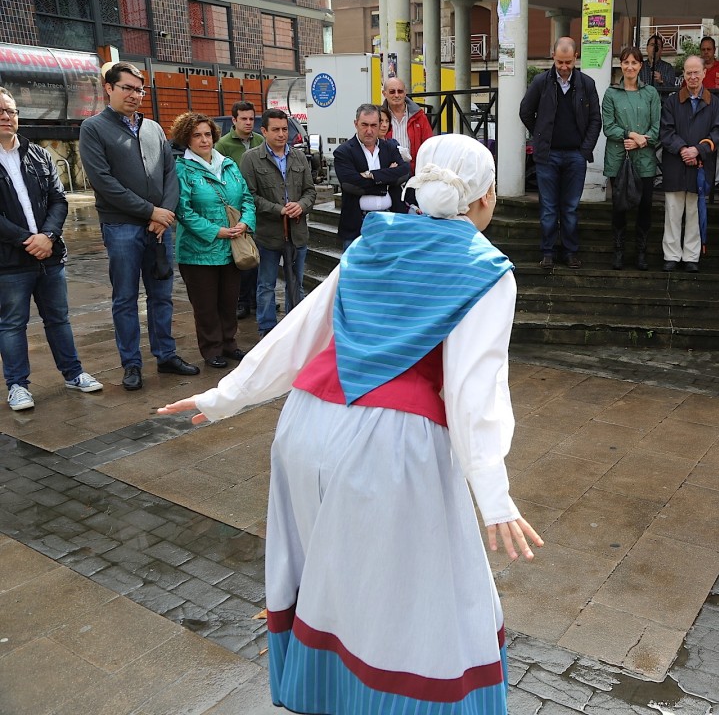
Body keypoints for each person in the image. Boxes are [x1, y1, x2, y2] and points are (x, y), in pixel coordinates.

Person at [158, 134, 543, 715]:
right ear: (486, 196)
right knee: (409, 593)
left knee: (332, 579)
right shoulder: (486, 269)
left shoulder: (373, 239)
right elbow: (474, 389)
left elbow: (304, 330)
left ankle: (328, 696)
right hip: (391, 441)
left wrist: (225, 396)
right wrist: (493, 492)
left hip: (306, 425)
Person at [79, 61, 200, 391]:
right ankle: (131, 364)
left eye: (139, 89)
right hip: (122, 228)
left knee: (162, 295)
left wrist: (166, 214)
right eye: (127, 88)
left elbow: (170, 174)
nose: (135, 95)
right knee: (125, 298)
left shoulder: (154, 129)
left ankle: (166, 355)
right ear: (109, 88)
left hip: (159, 229)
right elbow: (103, 181)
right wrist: (150, 212)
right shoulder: (93, 128)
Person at [0, 87, 102, 411]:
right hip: (9, 262)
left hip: (49, 256)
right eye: (0, 111)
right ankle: (18, 386)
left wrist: (48, 235)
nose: (6, 116)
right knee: (12, 324)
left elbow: (59, 199)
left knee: (59, 319)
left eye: (11, 111)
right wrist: (27, 240)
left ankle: (74, 374)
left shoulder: (38, 154)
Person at [171, 112, 256, 370]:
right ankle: (212, 349)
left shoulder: (228, 164)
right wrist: (214, 231)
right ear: (186, 139)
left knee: (229, 301)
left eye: (207, 134)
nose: (204, 140)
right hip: (198, 251)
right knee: (206, 306)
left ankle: (229, 343)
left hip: (232, 247)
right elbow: (183, 211)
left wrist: (245, 222)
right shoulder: (182, 169)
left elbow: (247, 198)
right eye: (197, 135)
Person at [519, 37, 601, 270]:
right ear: (553, 56)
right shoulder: (540, 82)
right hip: (548, 156)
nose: (564, 67)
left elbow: (595, 119)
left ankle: (570, 252)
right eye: (560, 62)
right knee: (548, 207)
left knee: (570, 207)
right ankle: (547, 252)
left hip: (576, 155)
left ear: (576, 57)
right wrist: (540, 136)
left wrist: (585, 149)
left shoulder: (587, 84)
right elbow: (525, 112)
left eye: (568, 62)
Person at [240, 108, 317, 338]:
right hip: (268, 234)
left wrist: (301, 206)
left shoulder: (299, 156)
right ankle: (267, 330)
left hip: (297, 233)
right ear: (264, 131)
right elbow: (249, 196)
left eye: (284, 129)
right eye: (276, 130)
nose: (282, 134)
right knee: (266, 284)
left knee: (296, 283)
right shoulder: (251, 158)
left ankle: (295, 328)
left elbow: (310, 191)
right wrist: (278, 209)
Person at [659, 55, 719, 274]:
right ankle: (671, 255)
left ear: (704, 73)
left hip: (700, 166)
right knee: (673, 212)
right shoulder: (671, 102)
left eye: (696, 72)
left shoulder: (714, 103)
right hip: (675, 164)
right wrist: (683, 149)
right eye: (689, 73)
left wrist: (698, 150)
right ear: (684, 75)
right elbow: (666, 131)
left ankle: (691, 256)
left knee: (695, 213)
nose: (693, 77)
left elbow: (717, 133)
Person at [602, 46, 662, 271]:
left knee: (645, 207)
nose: (630, 67)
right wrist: (630, 134)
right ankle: (618, 251)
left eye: (634, 63)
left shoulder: (651, 93)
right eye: (626, 62)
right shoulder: (611, 94)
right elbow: (609, 127)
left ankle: (641, 252)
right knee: (619, 206)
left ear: (640, 66)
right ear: (620, 65)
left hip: (644, 159)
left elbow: (657, 126)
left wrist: (640, 141)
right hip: (619, 158)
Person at [334, 104, 408, 250]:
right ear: (356, 124)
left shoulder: (389, 147)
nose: (369, 130)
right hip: (358, 223)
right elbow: (351, 184)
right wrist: (387, 180)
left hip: (390, 220)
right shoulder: (343, 152)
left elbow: (404, 172)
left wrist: (372, 175)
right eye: (364, 125)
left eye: (374, 125)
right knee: (357, 264)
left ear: (379, 125)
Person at [216, 100, 264, 321]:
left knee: (257, 255)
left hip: (259, 205)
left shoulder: (260, 140)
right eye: (243, 119)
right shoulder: (223, 145)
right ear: (234, 120)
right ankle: (242, 301)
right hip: (236, 210)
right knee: (242, 256)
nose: (248, 122)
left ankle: (256, 299)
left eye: (251, 119)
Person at [383, 77, 434, 174]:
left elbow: (429, 145)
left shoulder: (419, 116)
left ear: (405, 92)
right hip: (389, 172)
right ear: (384, 93)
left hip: (415, 171)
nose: (396, 95)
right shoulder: (379, 117)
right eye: (392, 92)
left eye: (400, 91)